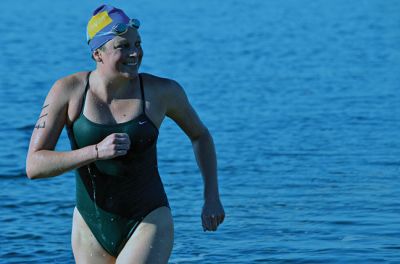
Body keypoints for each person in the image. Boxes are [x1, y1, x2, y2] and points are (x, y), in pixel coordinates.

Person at [25, 4, 225, 264]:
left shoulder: (162, 92)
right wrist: (96, 151)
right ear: (98, 53)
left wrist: (212, 198)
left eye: (137, 44)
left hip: (149, 218)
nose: (135, 53)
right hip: (89, 226)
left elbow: (201, 136)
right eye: (123, 46)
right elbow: (34, 165)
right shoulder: (68, 91)